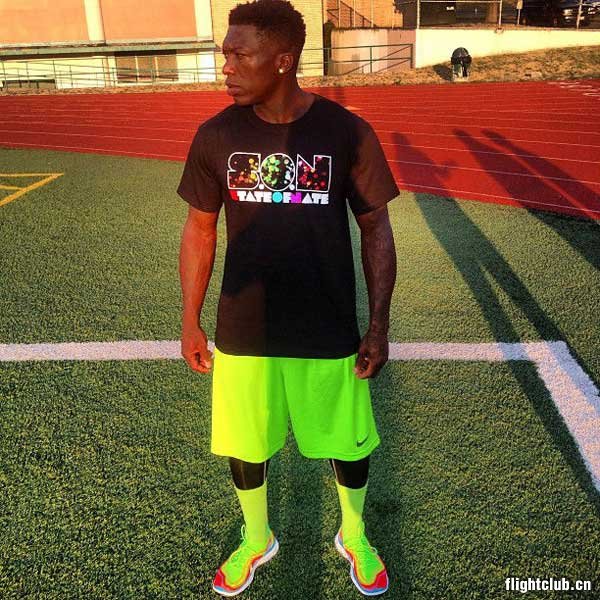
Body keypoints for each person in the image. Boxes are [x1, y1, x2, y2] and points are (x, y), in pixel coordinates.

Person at [177, 0, 398, 596]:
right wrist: (190, 320)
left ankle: (354, 532)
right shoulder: (216, 134)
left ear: (282, 60)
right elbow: (199, 230)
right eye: (224, 53)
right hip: (244, 327)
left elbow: (376, 229)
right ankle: (256, 537)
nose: (225, 65)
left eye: (239, 54)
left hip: (327, 325)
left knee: (346, 441)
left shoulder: (345, 131)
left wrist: (377, 326)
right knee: (246, 442)